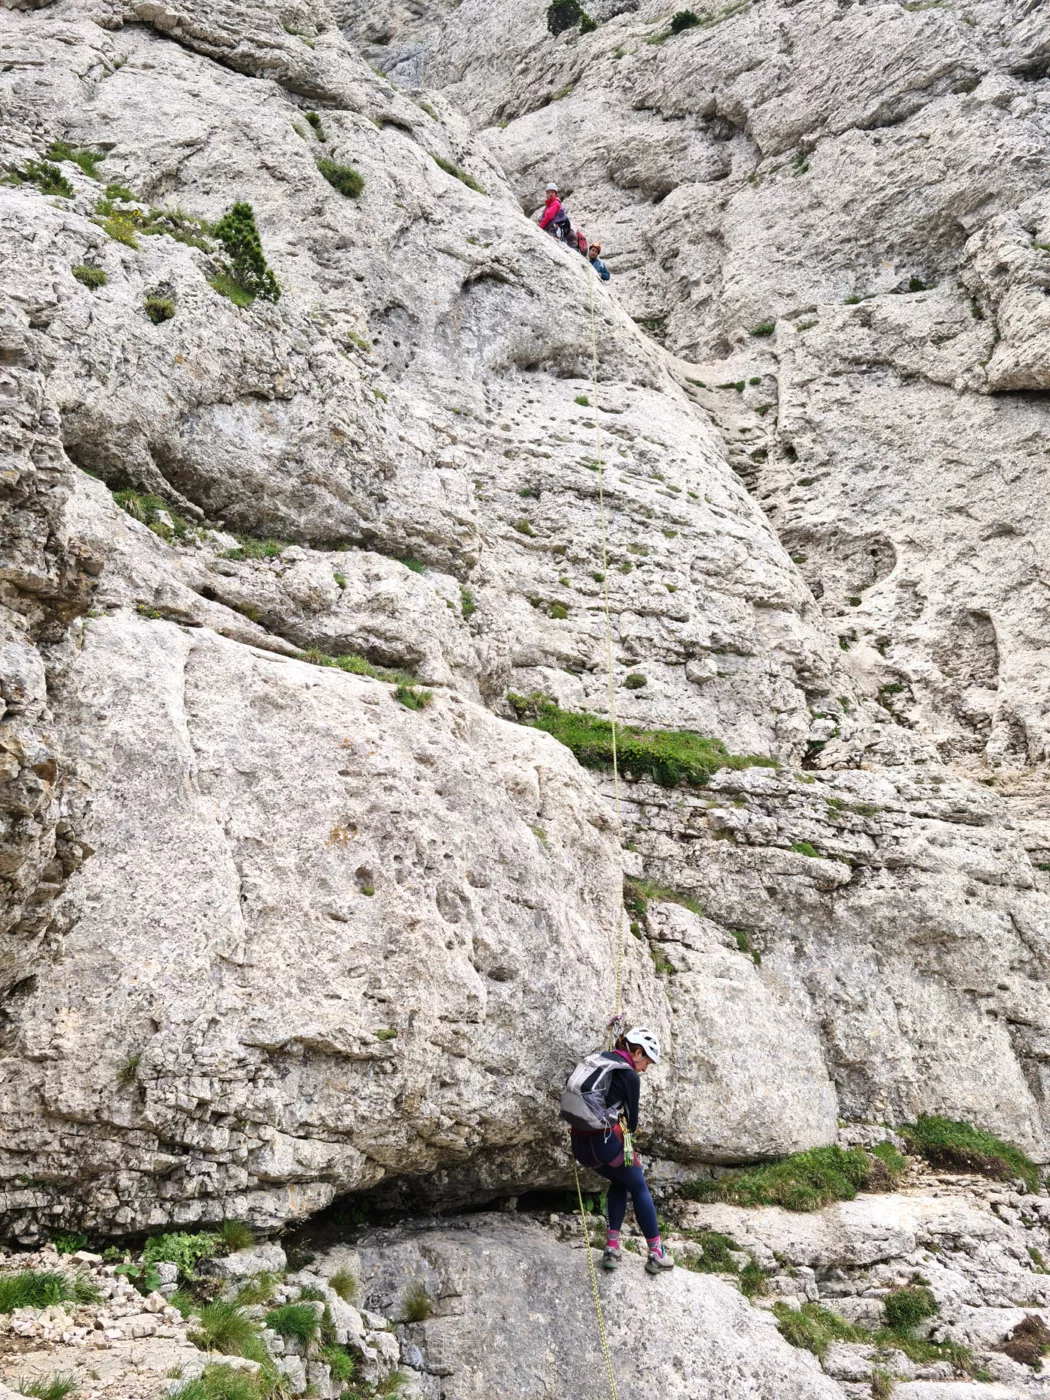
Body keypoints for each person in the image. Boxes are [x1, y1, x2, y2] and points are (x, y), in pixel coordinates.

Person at [569, 1026, 674, 1275]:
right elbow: (633, 1122)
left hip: (580, 1146)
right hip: (604, 1143)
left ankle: (612, 1248)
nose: (645, 1068)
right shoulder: (629, 1076)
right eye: (646, 1061)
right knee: (638, 1184)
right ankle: (657, 1253)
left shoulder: (599, 1060)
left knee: (620, 1179)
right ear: (636, 1052)